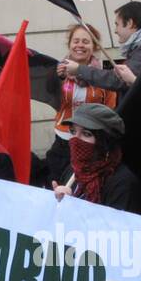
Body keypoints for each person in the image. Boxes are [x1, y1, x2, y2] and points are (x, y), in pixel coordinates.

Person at [48, 23, 119, 185]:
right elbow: (50, 96)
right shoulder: (58, 70)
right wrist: (57, 79)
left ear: (94, 46)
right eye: (76, 41)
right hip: (63, 139)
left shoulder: (104, 74)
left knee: (85, 185)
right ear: (70, 44)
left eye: (86, 42)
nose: (80, 45)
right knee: (58, 183)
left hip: (91, 142)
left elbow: (111, 108)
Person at [51, 103, 141, 214]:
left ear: (105, 142)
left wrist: (73, 207)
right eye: (73, 131)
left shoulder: (123, 183)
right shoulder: (74, 170)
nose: (76, 139)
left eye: (86, 134)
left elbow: (116, 228)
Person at [71, 1, 141, 91]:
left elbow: (118, 81)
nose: (115, 30)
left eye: (117, 24)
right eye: (76, 41)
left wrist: (79, 70)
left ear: (130, 23)